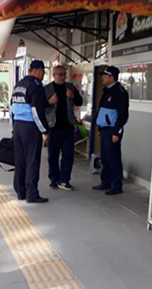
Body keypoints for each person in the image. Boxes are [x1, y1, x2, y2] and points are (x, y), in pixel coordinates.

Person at [10, 60, 56, 203]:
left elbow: (12, 108)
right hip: (30, 127)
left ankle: (20, 192)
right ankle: (32, 194)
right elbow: (37, 110)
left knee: (20, 160)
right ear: (37, 70)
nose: (43, 74)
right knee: (32, 161)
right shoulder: (36, 86)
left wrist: (13, 128)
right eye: (43, 71)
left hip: (18, 126)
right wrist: (45, 131)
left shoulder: (18, 85)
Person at [44, 65, 83, 190]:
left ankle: (64, 180)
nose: (63, 77)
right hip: (53, 127)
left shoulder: (70, 87)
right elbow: (40, 106)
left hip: (68, 127)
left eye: (64, 74)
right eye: (60, 74)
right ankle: (54, 179)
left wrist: (73, 96)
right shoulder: (47, 89)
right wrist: (49, 101)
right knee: (52, 156)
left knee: (68, 155)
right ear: (54, 75)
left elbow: (80, 102)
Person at [92, 66, 129, 196]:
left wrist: (116, 132)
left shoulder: (120, 92)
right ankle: (105, 182)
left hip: (113, 130)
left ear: (111, 77)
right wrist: (100, 128)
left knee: (114, 158)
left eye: (105, 76)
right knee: (105, 158)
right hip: (104, 130)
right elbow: (102, 111)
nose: (102, 78)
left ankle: (116, 185)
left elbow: (123, 115)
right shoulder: (106, 90)